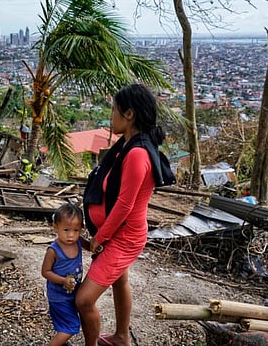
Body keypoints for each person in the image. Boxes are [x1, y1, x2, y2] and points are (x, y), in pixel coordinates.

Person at [76, 83, 175, 346]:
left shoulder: (137, 153)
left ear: (129, 114)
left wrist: (101, 237)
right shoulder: (127, 145)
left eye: (114, 110)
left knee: (83, 299)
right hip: (115, 233)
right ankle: (121, 337)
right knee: (120, 282)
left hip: (124, 237)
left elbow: (124, 205)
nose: (111, 117)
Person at [41, 202, 89, 346]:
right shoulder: (53, 250)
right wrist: (63, 281)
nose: (71, 235)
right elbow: (45, 272)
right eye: (66, 230)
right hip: (59, 296)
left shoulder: (78, 241)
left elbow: (91, 246)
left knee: (66, 323)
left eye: (76, 230)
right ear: (55, 227)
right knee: (71, 327)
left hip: (73, 293)